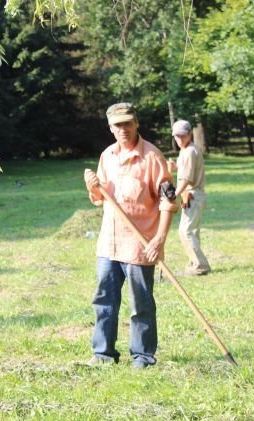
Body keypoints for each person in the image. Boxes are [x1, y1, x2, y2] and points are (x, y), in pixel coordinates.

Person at [83, 103, 179, 369]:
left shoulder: (152, 157)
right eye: (118, 125)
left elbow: (169, 201)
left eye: (127, 123)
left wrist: (159, 239)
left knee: (141, 303)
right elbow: (101, 199)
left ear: (136, 123)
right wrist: (92, 187)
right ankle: (103, 354)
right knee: (104, 300)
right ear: (110, 128)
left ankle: (143, 357)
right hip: (109, 243)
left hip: (140, 244)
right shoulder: (107, 156)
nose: (123, 129)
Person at [168, 120, 211, 276]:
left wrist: (173, 194)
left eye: (182, 135)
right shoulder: (187, 150)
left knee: (185, 231)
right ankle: (194, 263)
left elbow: (186, 179)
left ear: (189, 134)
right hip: (193, 196)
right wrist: (175, 167)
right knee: (191, 231)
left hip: (193, 195)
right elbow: (186, 170)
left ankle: (200, 266)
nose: (179, 139)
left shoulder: (189, 152)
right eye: (177, 136)